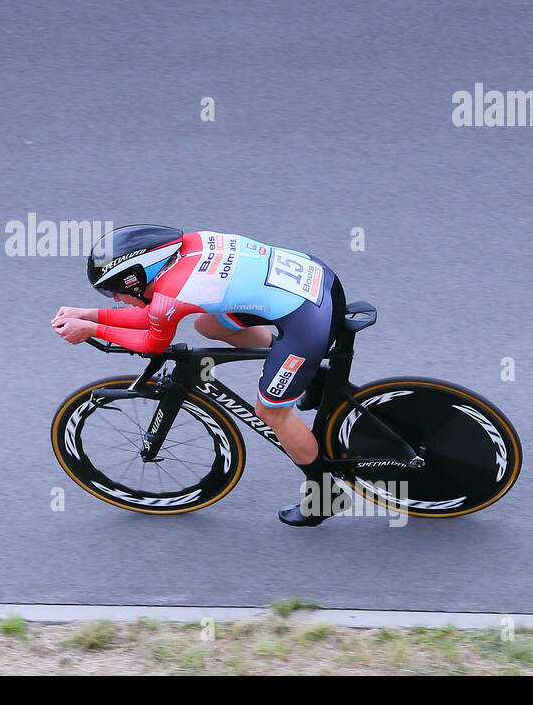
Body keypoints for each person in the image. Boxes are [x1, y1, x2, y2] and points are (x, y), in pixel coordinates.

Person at [52, 225, 344, 527]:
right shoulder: (191, 244)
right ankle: (309, 375)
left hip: (310, 318)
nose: (114, 298)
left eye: (113, 290)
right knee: (210, 325)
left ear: (135, 278)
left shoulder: (172, 293)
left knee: (271, 412)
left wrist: (92, 329)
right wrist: (87, 314)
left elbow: (153, 340)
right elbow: (151, 313)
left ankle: (327, 494)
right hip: (317, 278)